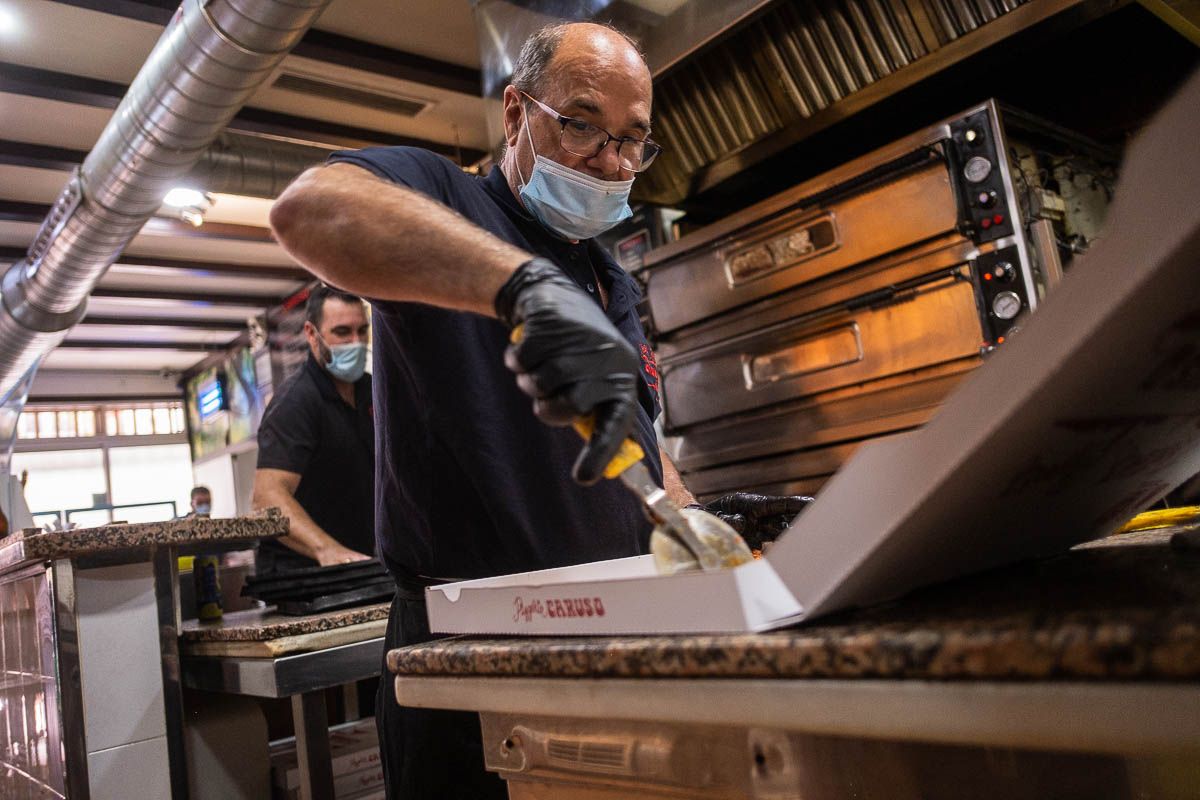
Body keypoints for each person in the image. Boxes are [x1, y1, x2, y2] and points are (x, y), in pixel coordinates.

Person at [269, 22, 810, 798]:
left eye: (632, 141)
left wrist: (701, 516)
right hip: (465, 659)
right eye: (584, 125)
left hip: (605, 647)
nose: (612, 163)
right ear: (516, 113)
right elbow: (307, 210)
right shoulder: (444, 197)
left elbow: (637, 443)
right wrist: (520, 286)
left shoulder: (608, 280)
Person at [252, 285, 376, 573]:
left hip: (357, 566)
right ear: (311, 334)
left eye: (362, 331)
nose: (356, 342)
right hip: (301, 576)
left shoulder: (373, 391)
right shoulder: (296, 402)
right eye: (343, 332)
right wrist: (327, 550)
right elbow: (266, 497)